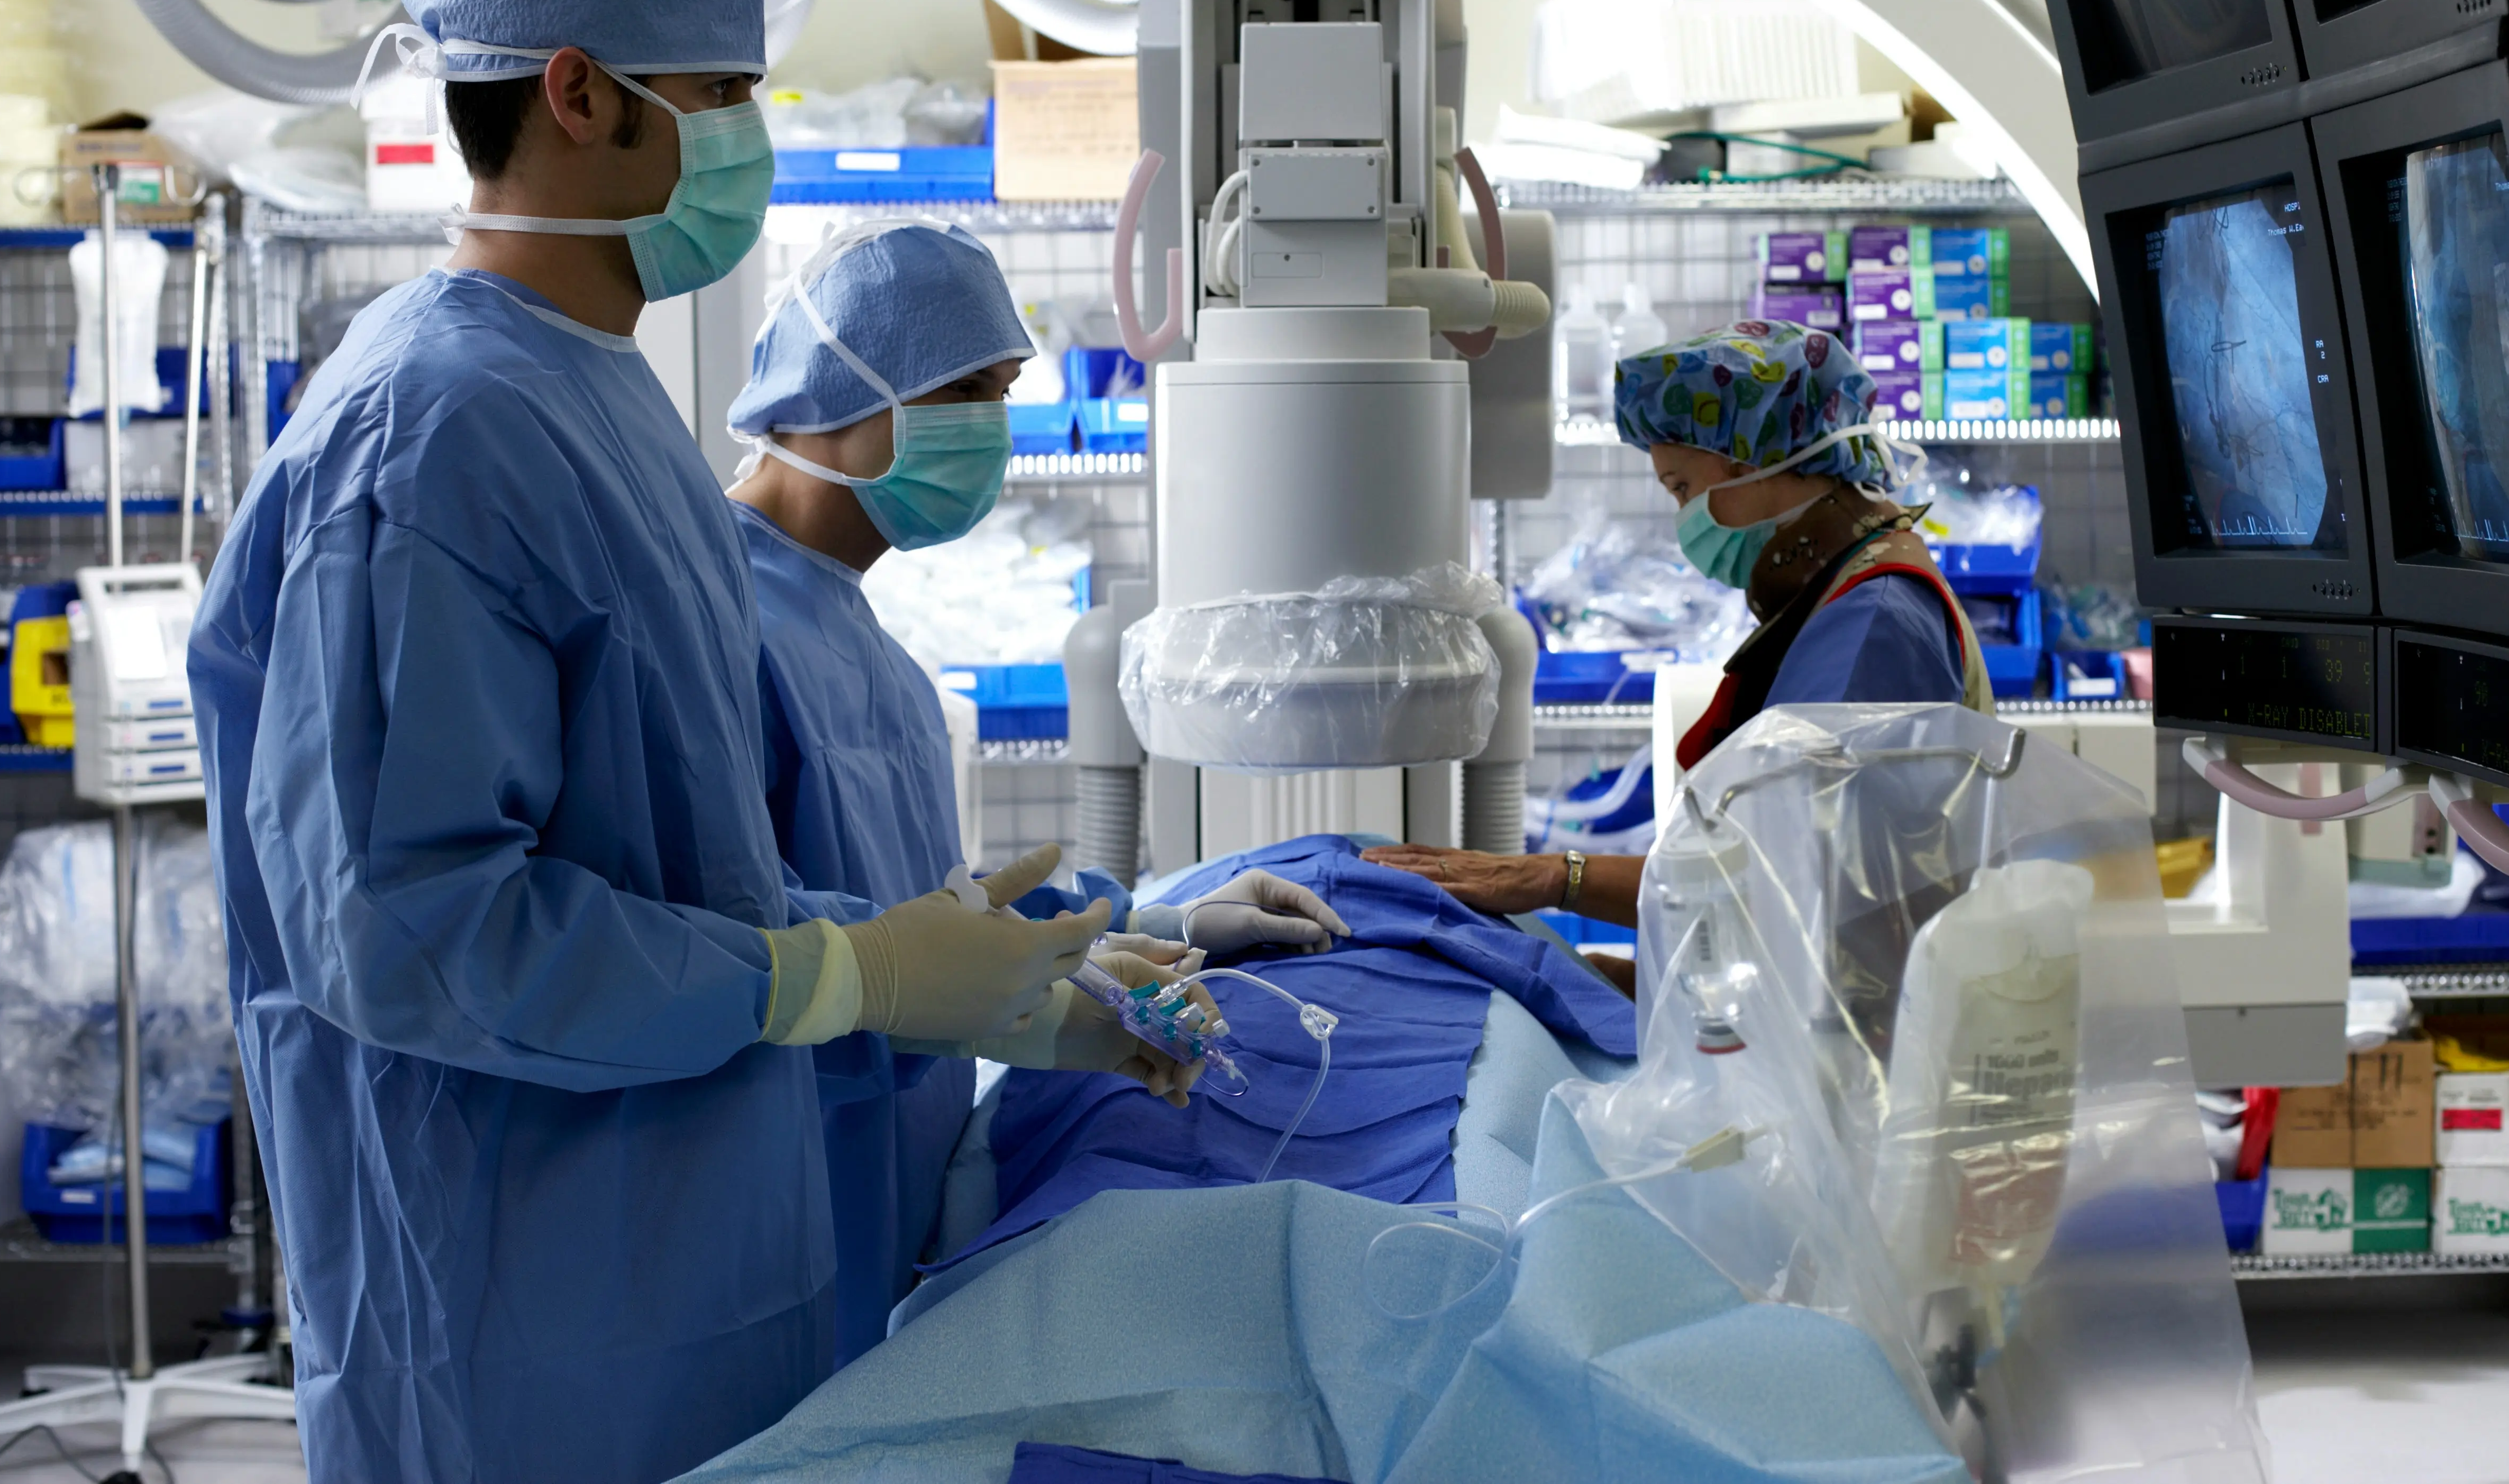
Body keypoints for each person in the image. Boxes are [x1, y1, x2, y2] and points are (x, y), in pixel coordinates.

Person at [188, 0, 1187, 1484]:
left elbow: (680, 865)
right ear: (578, 92)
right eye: (720, 85)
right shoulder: (433, 432)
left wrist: (937, 971)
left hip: (696, 1271)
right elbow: (407, 922)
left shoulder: (593, 396)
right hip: (520, 1326)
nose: (749, 131)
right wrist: (837, 978)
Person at [720, 221, 1348, 1362]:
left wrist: (1144, 923)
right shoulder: (718, 623)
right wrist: (1028, 1007)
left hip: (873, 1190)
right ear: (830, 392)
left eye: (1004, 392)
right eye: (965, 390)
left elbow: (921, 903)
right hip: (769, 1207)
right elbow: (745, 946)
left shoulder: (851, 633)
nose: (991, 431)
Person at [1367, 319, 1989, 940]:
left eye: (1683, 486)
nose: (1684, 517)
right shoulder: (1843, 594)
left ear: (1764, 456)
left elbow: (1791, 877)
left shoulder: (1871, 623)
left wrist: (1556, 877)